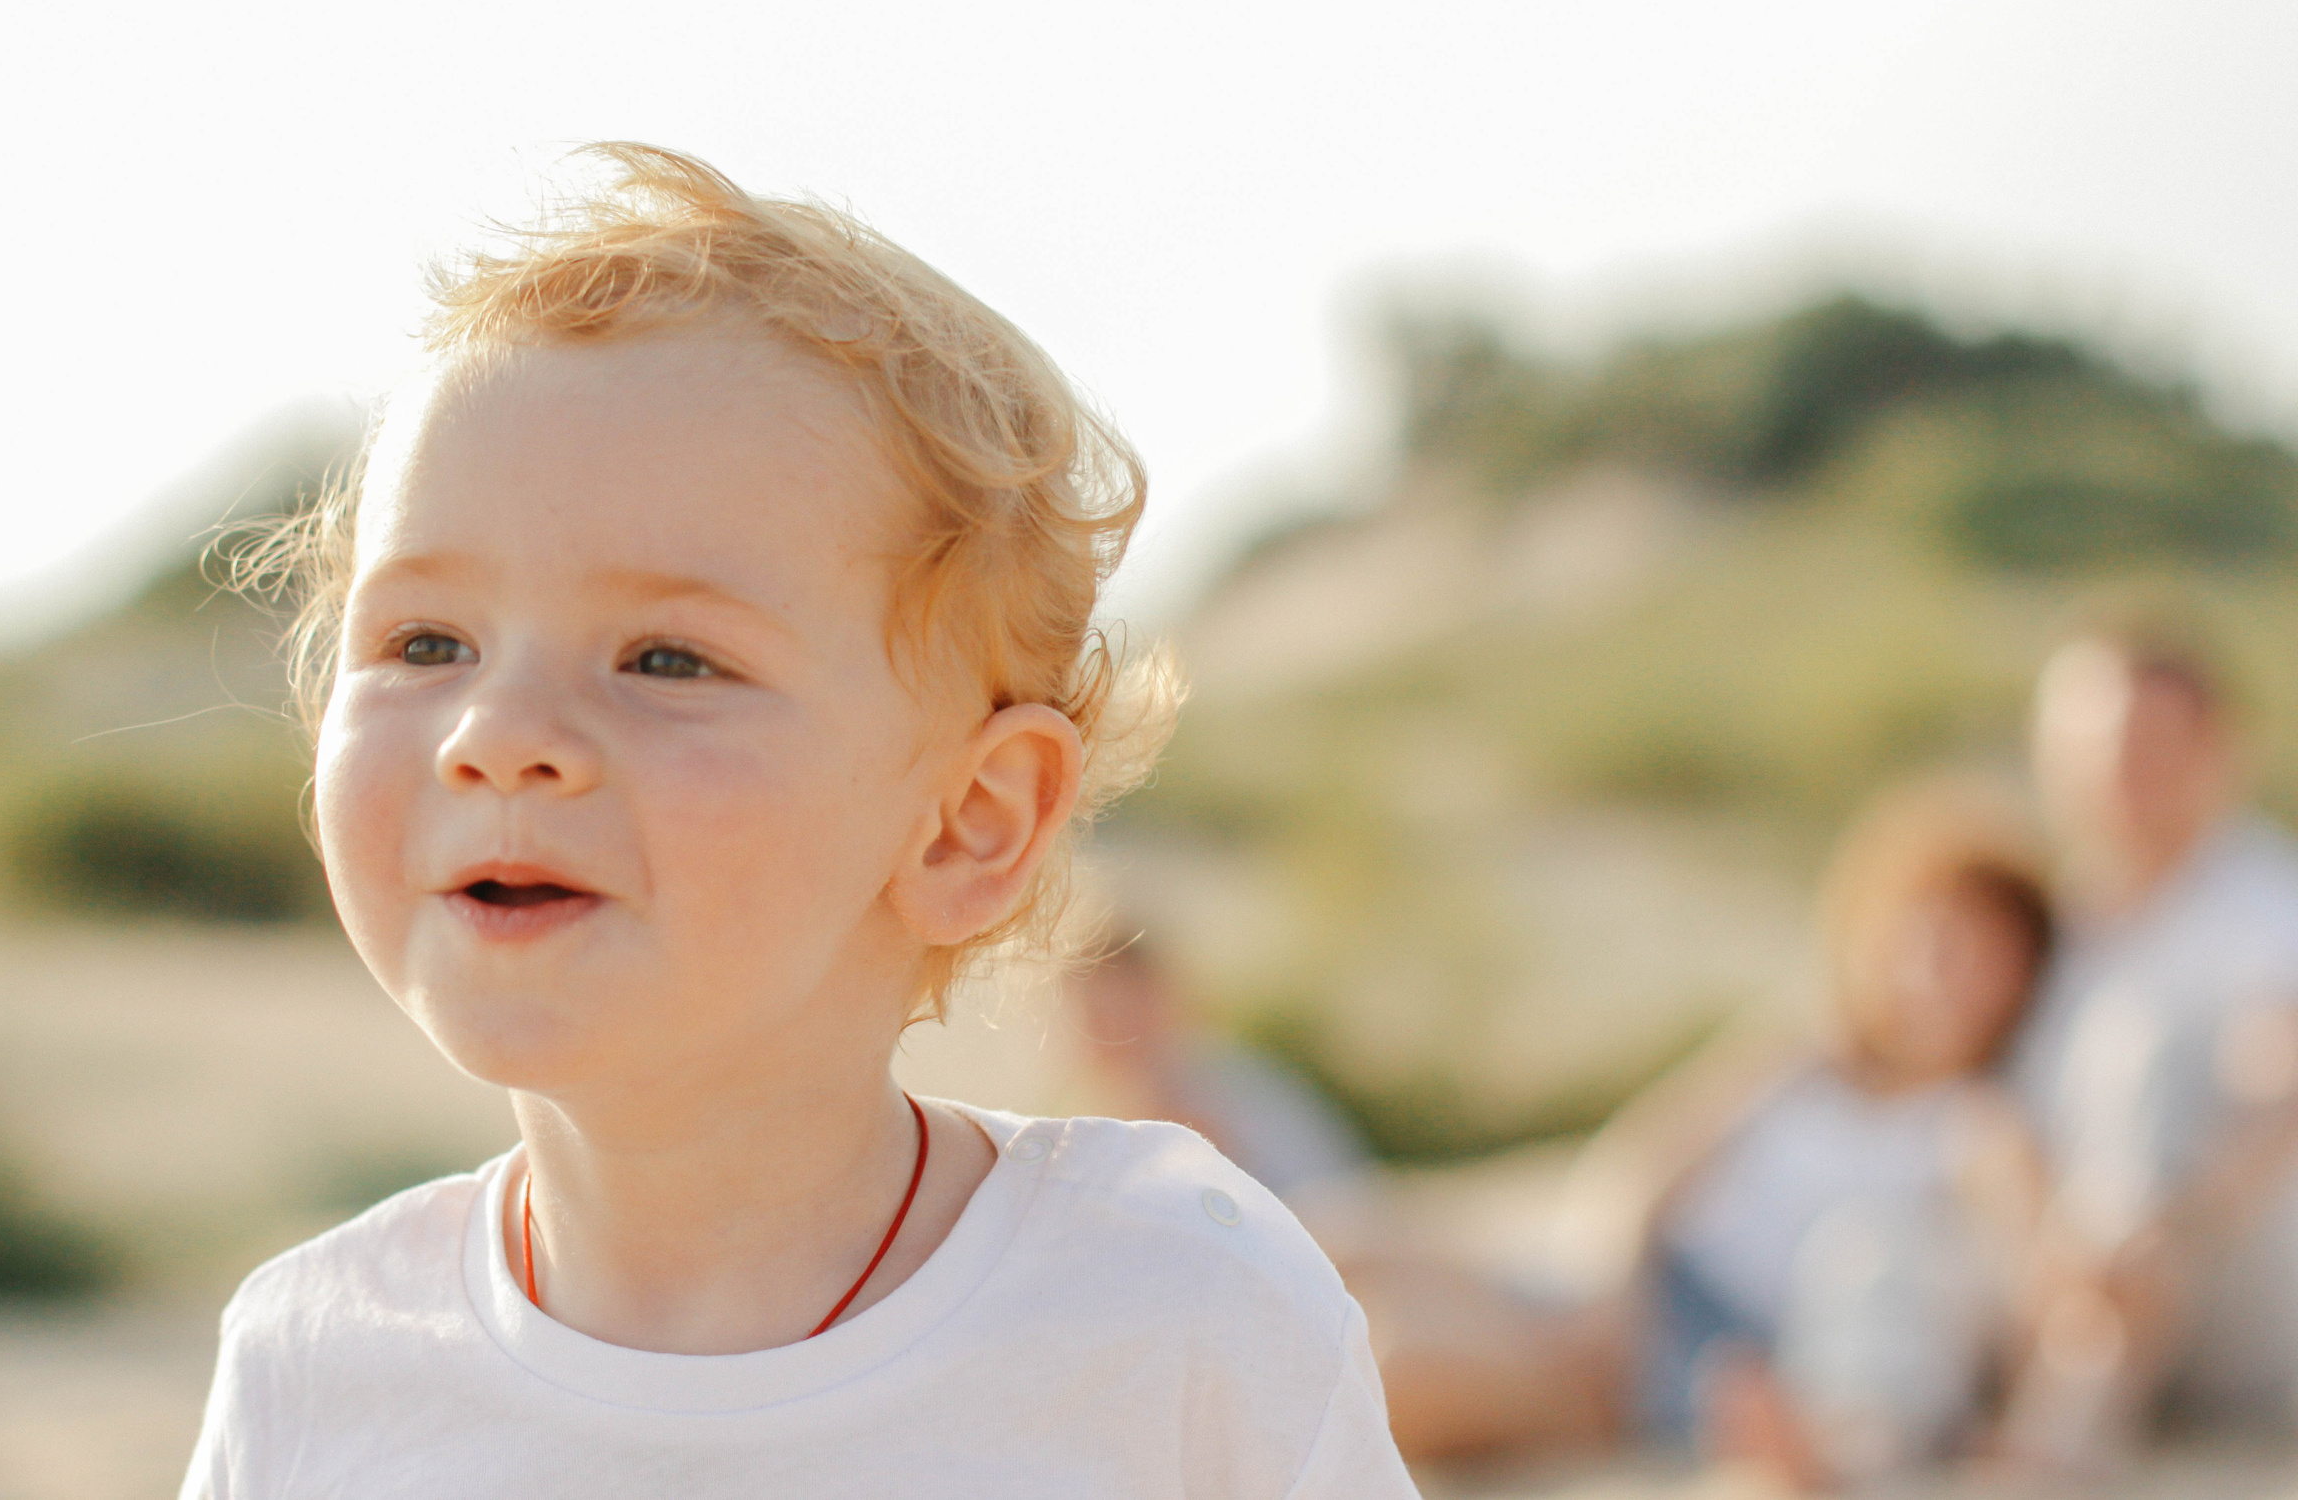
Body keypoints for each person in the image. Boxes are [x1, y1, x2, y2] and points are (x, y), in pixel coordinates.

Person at [179, 146, 1420, 1498]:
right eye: (427, 640)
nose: (496, 734)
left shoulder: (1170, 1312)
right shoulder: (316, 1370)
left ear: (966, 821)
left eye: (666, 659)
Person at [1370, 776, 2057, 1487]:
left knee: (1401, 1366)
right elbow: (1643, 1160)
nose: (1939, 976)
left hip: (1731, 1362)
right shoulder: (1800, 1053)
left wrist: (2022, 1412)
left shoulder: (1978, 1119)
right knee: (1346, 1245)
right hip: (1635, 1288)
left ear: (2020, 984)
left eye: (1980, 957)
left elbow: (2029, 1275)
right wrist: (1613, 1291)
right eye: (1929, 941)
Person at [2000, 620, 2298, 1466]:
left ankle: (2062, 1431)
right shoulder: (2048, 926)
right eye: (2093, 747)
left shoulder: (2270, 904)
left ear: (2222, 750)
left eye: (2150, 742)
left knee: (2148, 1055)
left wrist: (2167, 1231)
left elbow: (2283, 1082)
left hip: (2236, 1284)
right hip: (2062, 1286)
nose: (2123, 772)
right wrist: (2050, 1242)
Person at [1065, 927, 1372, 1207]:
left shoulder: (1187, 1087)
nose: (1109, 1034)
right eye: (1095, 1017)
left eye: (1119, 1014)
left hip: (1322, 1219)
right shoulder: (1204, 1068)